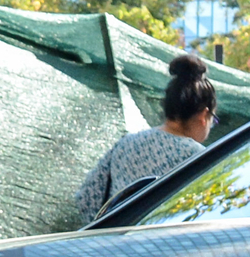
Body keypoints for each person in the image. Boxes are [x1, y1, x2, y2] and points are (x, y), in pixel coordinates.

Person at [76, 51, 217, 222]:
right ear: (204, 115)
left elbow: (86, 198)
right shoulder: (201, 158)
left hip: (115, 242)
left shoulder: (126, 143)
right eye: (213, 120)